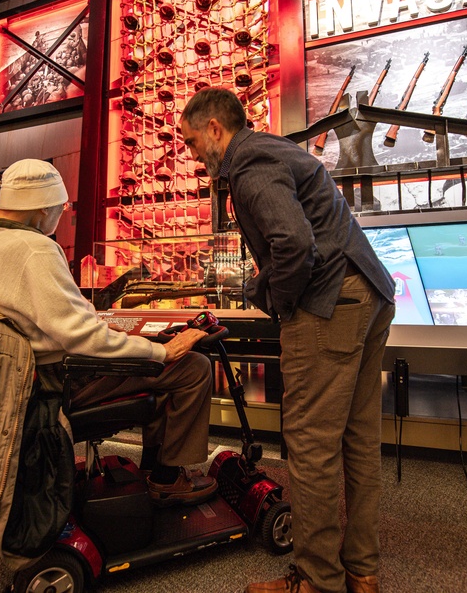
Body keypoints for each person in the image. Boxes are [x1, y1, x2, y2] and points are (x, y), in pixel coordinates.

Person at [0, 159, 216, 569]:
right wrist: (161, 351)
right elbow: (80, 336)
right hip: (55, 381)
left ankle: (158, 469)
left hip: (21, 377)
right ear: (42, 206)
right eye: (60, 207)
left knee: (155, 361)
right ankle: (167, 476)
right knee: (191, 367)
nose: (62, 215)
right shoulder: (34, 247)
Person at [181, 87, 397, 593]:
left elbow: (294, 242)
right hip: (369, 294)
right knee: (358, 440)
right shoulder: (277, 150)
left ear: (216, 128)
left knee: (312, 446)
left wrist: (280, 300)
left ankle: (317, 580)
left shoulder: (249, 164)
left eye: (192, 143)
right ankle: (361, 571)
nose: (193, 156)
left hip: (328, 306)